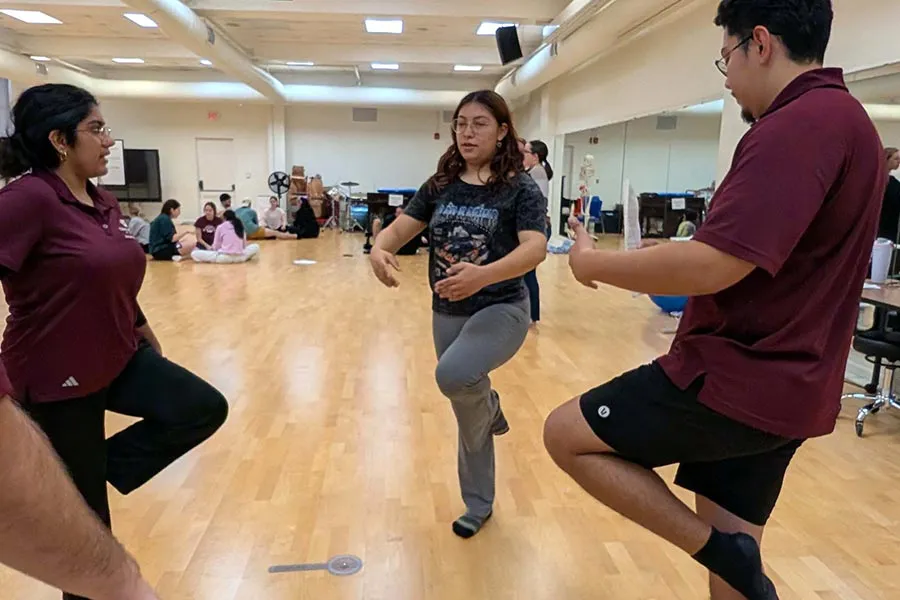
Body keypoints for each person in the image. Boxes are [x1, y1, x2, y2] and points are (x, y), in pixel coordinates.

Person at [542, 2, 885, 600]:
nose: (725, 78)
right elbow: (750, 250)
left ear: (759, 43)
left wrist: (593, 264)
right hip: (792, 386)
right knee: (737, 586)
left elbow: (713, 265)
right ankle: (730, 557)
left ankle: (718, 549)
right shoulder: (848, 121)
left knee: (564, 434)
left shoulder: (800, 124)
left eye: (725, 58)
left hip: (737, 380)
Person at [0, 83, 229, 600]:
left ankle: (77, 477)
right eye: (96, 128)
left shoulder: (100, 200)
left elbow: (109, 276)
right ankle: (72, 489)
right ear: (60, 139)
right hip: (55, 374)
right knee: (88, 537)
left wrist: (142, 328)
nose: (108, 140)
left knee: (200, 408)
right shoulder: (28, 199)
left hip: (119, 354)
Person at [370, 90, 547, 539]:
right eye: (461, 123)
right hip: (447, 308)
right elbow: (400, 230)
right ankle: (479, 502)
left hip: (502, 307)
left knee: (453, 376)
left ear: (503, 130)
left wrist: (483, 275)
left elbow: (535, 248)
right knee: (466, 411)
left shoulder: (519, 188)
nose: (467, 132)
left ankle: (489, 407)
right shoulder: (441, 184)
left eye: (480, 124)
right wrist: (378, 248)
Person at [0, 363, 159, 600]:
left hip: (105, 361)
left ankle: (89, 472)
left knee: (200, 409)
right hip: (54, 377)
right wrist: (122, 584)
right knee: (84, 507)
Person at [523, 139, 554, 327]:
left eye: (526, 152)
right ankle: (529, 314)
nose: (522, 155)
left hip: (537, 228)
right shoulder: (534, 172)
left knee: (527, 273)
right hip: (535, 227)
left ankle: (532, 316)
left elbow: (538, 204)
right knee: (525, 273)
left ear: (535, 156)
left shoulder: (537, 173)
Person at [191, 209, 260, 264]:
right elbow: (244, 246)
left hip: (224, 258)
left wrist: (212, 249)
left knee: (194, 253)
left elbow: (216, 246)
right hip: (240, 257)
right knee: (256, 246)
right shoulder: (240, 226)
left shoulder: (220, 227)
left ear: (225, 218)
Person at [877, 146, 900, 241]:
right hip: (882, 223)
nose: (898, 162)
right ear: (886, 159)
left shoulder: (892, 182)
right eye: (896, 159)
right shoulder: (883, 181)